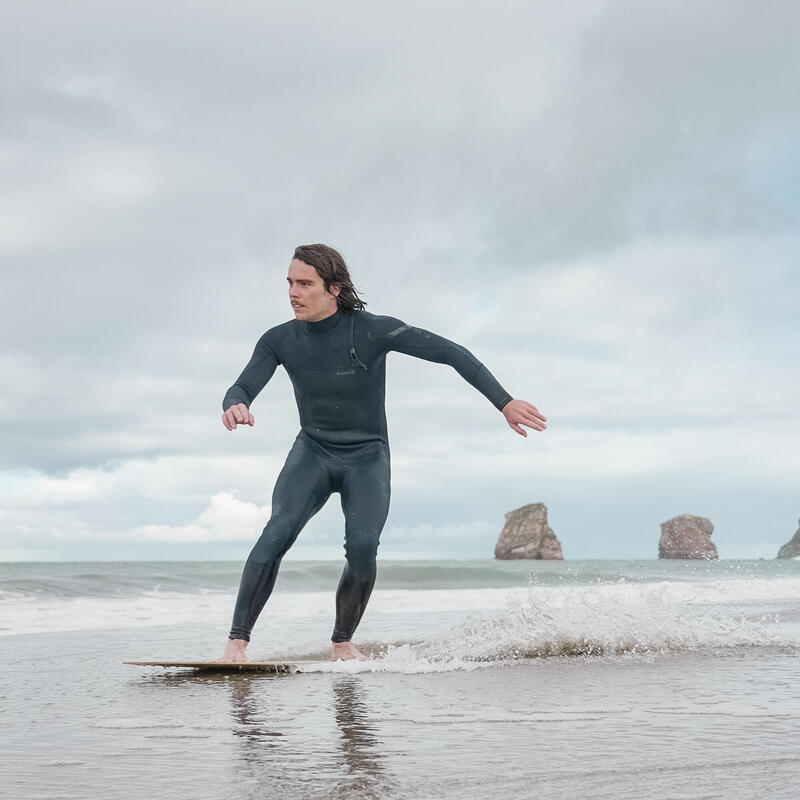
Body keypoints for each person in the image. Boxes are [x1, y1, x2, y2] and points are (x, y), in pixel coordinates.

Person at [218, 244, 547, 663]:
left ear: (333, 288)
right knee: (276, 532)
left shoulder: (371, 330)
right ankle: (236, 644)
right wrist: (235, 403)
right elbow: (243, 385)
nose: (293, 292)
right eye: (290, 283)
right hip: (313, 451)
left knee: (362, 545)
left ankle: (341, 643)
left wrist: (504, 401)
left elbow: (449, 352)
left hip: (366, 457)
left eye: (304, 283)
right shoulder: (279, 340)